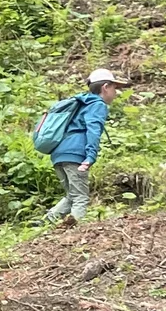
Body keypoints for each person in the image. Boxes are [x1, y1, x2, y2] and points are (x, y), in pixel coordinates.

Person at [45, 69, 121, 224]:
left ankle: (44, 222)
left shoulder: (81, 102)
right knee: (81, 197)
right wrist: (90, 156)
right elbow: (93, 130)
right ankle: (76, 231)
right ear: (105, 87)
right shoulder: (97, 105)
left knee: (72, 195)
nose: (116, 93)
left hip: (58, 153)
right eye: (114, 88)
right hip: (75, 153)